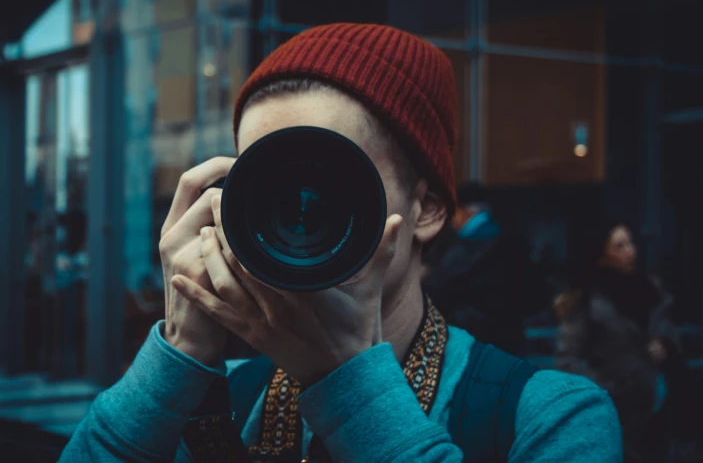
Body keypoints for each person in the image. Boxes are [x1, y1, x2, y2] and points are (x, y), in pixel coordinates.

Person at [61, 24, 621, 462]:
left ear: (425, 209)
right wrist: (179, 353)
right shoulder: (209, 400)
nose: (300, 208)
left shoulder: (551, 417)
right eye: (270, 182)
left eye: (328, 182)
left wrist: (346, 386)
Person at [555, 221, 700, 462]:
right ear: (602, 254)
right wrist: (608, 390)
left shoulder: (650, 290)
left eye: (631, 243)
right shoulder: (588, 299)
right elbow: (567, 360)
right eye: (619, 246)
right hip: (620, 411)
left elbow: (670, 333)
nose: (630, 251)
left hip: (661, 406)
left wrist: (667, 347)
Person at [422, 185, 549, 356]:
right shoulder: (506, 237)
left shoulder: (475, 243)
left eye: (454, 212)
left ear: (465, 211)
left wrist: (427, 276)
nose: (451, 220)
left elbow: (442, 285)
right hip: (507, 334)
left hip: (477, 335)